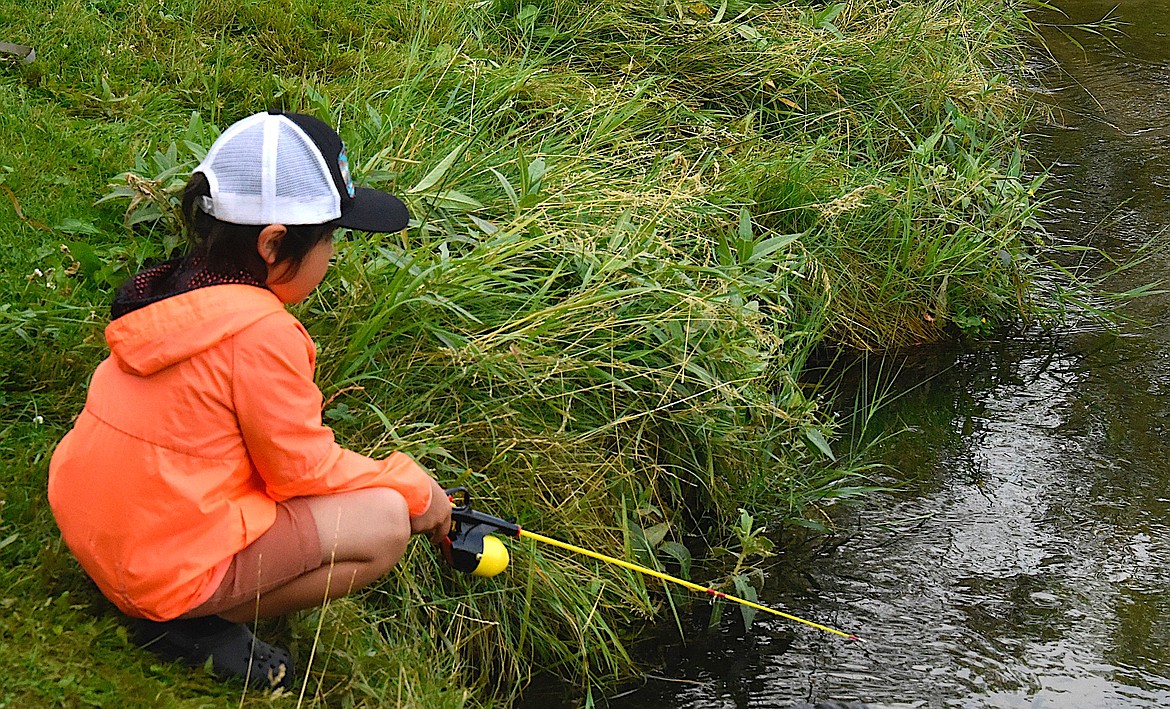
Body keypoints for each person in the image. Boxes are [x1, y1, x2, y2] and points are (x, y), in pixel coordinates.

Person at [47, 110, 452, 691]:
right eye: (331, 237)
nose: (332, 254)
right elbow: (300, 471)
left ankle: (165, 592)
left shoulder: (171, 292)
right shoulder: (262, 332)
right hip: (157, 565)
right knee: (386, 522)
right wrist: (416, 490)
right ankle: (190, 622)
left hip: (95, 526)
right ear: (272, 243)